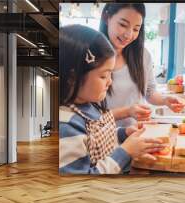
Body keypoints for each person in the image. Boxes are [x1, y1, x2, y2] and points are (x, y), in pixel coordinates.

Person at [59, 25, 166, 174]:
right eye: (103, 76)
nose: (110, 82)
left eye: (111, 75)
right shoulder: (67, 127)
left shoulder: (90, 106)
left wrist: (124, 133)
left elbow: (98, 140)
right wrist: (125, 152)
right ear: (72, 77)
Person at [100, 3, 185, 127]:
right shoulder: (93, 57)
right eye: (123, 25)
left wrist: (165, 100)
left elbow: (149, 91)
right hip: (105, 137)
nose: (128, 35)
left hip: (139, 133)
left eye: (136, 29)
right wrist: (128, 112)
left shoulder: (143, 56)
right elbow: (89, 116)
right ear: (106, 17)